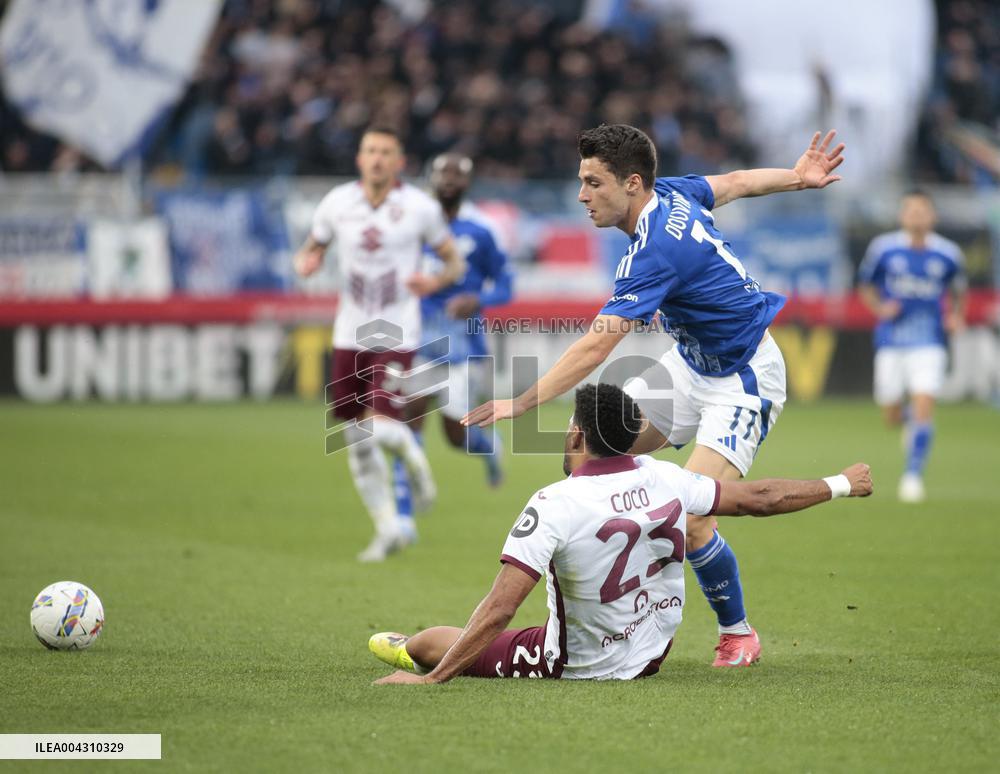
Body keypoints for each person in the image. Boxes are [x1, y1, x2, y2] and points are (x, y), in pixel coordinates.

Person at [463, 124, 846, 667]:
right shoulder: (671, 193)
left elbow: (597, 347)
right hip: (688, 367)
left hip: (742, 378)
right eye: (581, 181)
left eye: (594, 182)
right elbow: (735, 182)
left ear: (633, 183)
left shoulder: (655, 248)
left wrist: (523, 403)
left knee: (693, 519)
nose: (582, 195)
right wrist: (797, 177)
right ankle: (606, 605)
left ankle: (738, 633)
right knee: (589, 457)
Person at [372, 383, 872, 684]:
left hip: (578, 664)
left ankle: (407, 648)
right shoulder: (666, 477)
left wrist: (432, 680)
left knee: (435, 643)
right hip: (652, 653)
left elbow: (501, 607)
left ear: (576, 436)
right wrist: (841, 483)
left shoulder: (554, 502)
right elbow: (761, 498)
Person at [294, 126, 465, 562]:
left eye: (386, 152)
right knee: (355, 434)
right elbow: (310, 247)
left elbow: (454, 262)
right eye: (370, 150)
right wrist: (308, 260)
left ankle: (418, 468)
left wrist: (435, 280)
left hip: (396, 330)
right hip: (348, 330)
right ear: (359, 158)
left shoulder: (419, 208)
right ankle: (387, 527)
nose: (376, 159)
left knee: (383, 424)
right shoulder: (337, 203)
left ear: (399, 162)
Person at [392, 153, 514, 538]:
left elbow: (507, 286)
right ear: (430, 178)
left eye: (456, 175)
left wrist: (477, 301)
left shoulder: (481, 230)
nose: (448, 180)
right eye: (442, 173)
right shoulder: (412, 225)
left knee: (454, 434)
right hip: (415, 337)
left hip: (462, 344)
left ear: (467, 182)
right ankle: (403, 514)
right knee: (407, 416)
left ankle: (487, 447)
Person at [858, 190, 966, 503]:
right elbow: (865, 285)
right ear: (902, 215)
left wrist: (955, 317)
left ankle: (913, 476)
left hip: (929, 341)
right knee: (891, 412)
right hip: (891, 340)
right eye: (911, 210)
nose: (917, 216)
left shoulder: (948, 253)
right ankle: (908, 424)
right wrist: (880, 309)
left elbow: (959, 290)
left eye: (923, 211)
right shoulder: (884, 248)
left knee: (924, 405)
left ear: (933, 216)